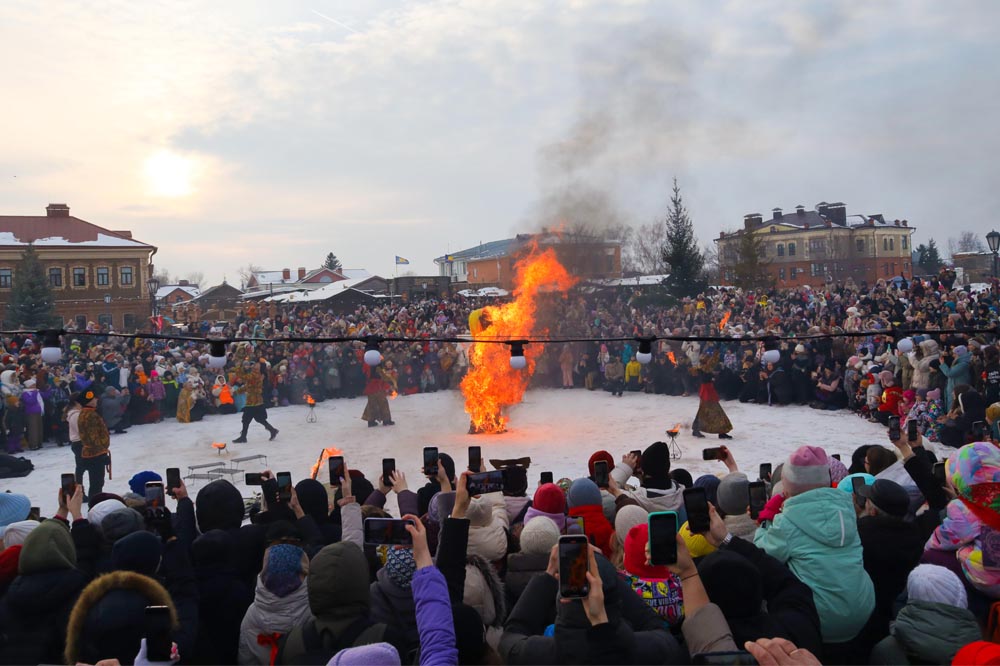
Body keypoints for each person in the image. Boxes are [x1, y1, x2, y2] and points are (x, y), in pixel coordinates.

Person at [753, 445, 875, 661]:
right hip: (862, 608)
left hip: (821, 620)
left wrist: (766, 520)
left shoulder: (786, 522)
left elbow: (762, 553)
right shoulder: (847, 508)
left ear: (787, 490)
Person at [233, 360, 279, 442]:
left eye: (257, 365)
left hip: (252, 402)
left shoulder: (255, 375)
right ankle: (272, 430)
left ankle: (243, 437)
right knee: (258, 419)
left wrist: (237, 366)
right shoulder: (256, 375)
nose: (254, 365)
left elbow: (242, 376)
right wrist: (237, 391)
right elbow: (248, 386)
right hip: (256, 402)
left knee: (246, 420)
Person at [78, 388, 111, 500]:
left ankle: (95, 502)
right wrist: (102, 450)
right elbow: (93, 437)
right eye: (93, 398)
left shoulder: (85, 413)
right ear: (88, 401)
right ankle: (94, 504)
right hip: (95, 454)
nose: (96, 399)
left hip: (90, 453)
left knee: (95, 482)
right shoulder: (90, 414)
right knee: (97, 483)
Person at [692, 369, 734, 439]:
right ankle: (721, 432)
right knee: (715, 412)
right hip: (707, 391)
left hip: (707, 390)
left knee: (704, 412)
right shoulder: (704, 369)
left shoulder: (703, 368)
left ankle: (696, 429)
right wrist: (713, 375)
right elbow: (705, 378)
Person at [361, 362, 396, 428]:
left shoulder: (366, 365)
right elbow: (382, 377)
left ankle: (371, 421)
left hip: (370, 387)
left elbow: (365, 375)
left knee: (371, 404)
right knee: (383, 403)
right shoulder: (377, 367)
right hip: (377, 387)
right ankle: (386, 420)